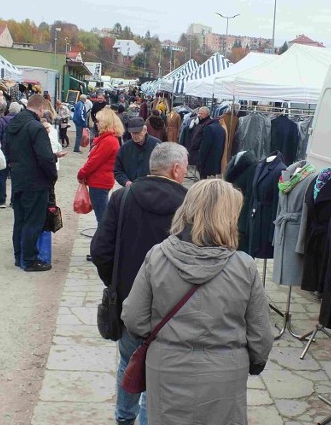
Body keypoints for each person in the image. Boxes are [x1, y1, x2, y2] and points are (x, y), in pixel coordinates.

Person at [121, 179, 274, 425]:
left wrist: (162, 338)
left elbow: (133, 317)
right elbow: (261, 334)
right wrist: (254, 361)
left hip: (168, 367)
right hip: (224, 372)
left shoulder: (157, 256)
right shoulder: (244, 266)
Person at [91, 142, 188, 425]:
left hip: (128, 301)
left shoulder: (124, 196)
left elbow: (100, 251)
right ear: (177, 168)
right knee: (159, 373)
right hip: (172, 304)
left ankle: (124, 418)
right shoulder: (189, 203)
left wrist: (116, 281)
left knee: (128, 361)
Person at [6, 95, 58, 272]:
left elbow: (8, 150)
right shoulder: (36, 127)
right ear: (41, 109)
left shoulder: (14, 123)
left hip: (18, 178)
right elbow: (44, 157)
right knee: (33, 221)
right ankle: (29, 260)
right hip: (35, 181)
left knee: (19, 220)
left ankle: (19, 255)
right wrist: (52, 176)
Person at [77, 108, 124, 224]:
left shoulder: (108, 141)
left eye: (98, 121)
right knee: (103, 215)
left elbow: (94, 161)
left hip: (99, 182)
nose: (96, 124)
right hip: (101, 181)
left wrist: (81, 173)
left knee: (103, 218)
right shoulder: (109, 139)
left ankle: (103, 240)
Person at [114, 118, 160, 187]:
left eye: (138, 132)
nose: (135, 135)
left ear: (145, 130)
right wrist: (125, 181)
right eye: (133, 133)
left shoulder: (157, 146)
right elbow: (117, 170)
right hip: (131, 189)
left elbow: (165, 169)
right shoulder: (125, 148)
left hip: (151, 189)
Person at [0, 101, 22, 208]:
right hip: (16, 154)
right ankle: (13, 201)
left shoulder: (1, 121)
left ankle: (2, 201)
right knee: (15, 178)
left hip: (3, 153)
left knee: (2, 177)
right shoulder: (21, 122)